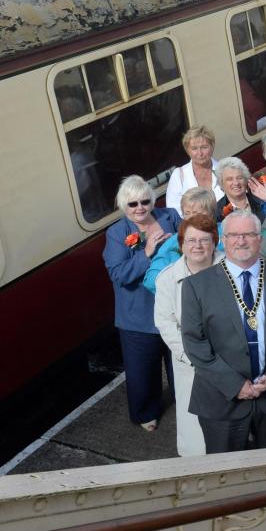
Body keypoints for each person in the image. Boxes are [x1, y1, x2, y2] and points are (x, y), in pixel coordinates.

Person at [181, 210, 266, 452]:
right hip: (222, 399)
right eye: (233, 235)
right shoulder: (196, 285)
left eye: (248, 234)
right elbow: (195, 343)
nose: (241, 241)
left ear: (260, 238)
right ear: (223, 240)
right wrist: (235, 385)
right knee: (227, 478)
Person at [103, 176, 180, 431]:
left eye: (145, 201)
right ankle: (146, 412)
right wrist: (147, 252)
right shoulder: (117, 233)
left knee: (179, 361)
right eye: (132, 204)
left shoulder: (170, 216)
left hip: (175, 307)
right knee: (141, 369)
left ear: (152, 199)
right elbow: (119, 274)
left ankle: (186, 403)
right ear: (124, 206)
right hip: (138, 313)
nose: (140, 208)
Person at [154, 214, 222, 456]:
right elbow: (165, 323)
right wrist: (190, 355)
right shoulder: (167, 279)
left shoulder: (231, 268)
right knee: (194, 424)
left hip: (229, 358)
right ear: (181, 244)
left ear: (215, 242)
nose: (197, 246)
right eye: (191, 240)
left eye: (204, 240)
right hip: (190, 363)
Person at [144, 187, 218, 293]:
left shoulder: (226, 232)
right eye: (187, 213)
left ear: (210, 213)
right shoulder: (174, 242)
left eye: (196, 213)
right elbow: (151, 280)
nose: (191, 219)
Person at [165, 126, 223, 210]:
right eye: (194, 148)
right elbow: (174, 211)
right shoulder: (178, 175)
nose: (200, 153)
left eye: (204, 147)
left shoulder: (225, 170)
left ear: (212, 147)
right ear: (187, 151)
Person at [215, 156, 266, 223]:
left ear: (246, 179)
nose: (236, 183)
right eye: (230, 179)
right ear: (221, 183)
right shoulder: (216, 212)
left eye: (239, 177)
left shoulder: (260, 200)